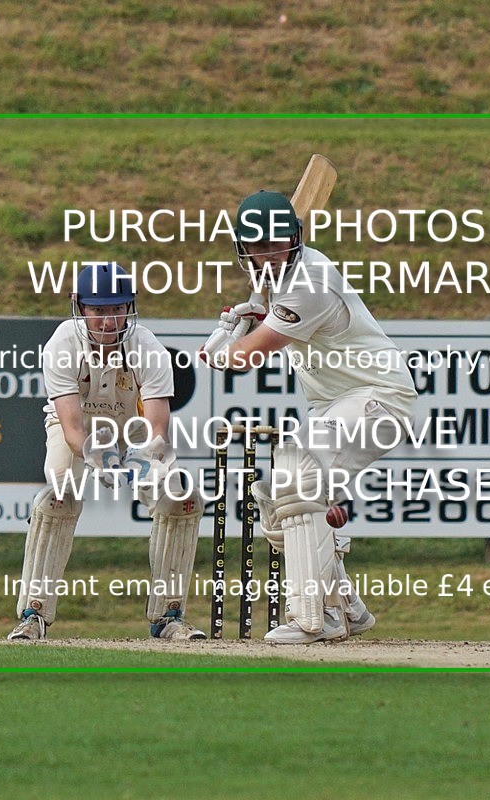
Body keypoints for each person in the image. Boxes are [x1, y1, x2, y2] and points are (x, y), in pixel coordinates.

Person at [202, 191, 417, 644]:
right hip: (336, 404)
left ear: (296, 238)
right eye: (256, 248)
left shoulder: (308, 282)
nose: (265, 255)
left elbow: (245, 358)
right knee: (280, 497)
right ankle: (348, 609)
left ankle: (316, 618)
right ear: (242, 249)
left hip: (378, 396)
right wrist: (249, 319)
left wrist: (225, 340)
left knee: (299, 476)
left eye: (275, 245)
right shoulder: (279, 281)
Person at [7, 261, 205, 641]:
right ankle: (34, 615)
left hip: (133, 430)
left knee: (181, 499)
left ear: (129, 307)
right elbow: (71, 428)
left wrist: (142, 460)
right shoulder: (63, 344)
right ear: (80, 308)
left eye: (117, 309)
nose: (109, 321)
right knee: (58, 497)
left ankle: (168, 616)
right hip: (79, 431)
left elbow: (157, 428)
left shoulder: (148, 347)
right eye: (99, 310)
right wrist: (98, 459)